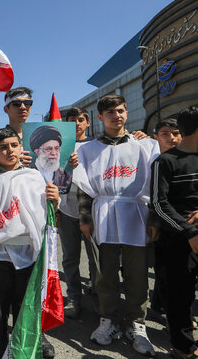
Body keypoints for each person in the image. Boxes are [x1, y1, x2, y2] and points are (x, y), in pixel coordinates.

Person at [73, 94, 159, 356]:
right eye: (110, 112)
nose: (116, 115)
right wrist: (85, 219)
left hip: (135, 213)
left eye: (120, 110)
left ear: (126, 113)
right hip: (104, 214)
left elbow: (155, 185)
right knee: (104, 273)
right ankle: (108, 320)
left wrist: (154, 218)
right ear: (100, 117)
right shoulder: (87, 149)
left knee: (137, 274)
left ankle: (137, 323)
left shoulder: (145, 146)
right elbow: (84, 188)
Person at [0, 127, 58, 359]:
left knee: (25, 310)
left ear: (21, 148)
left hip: (28, 256)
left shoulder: (34, 176)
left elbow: (43, 215)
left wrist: (55, 201)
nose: (9, 151)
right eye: (3, 147)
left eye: (13, 145)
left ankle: (24, 353)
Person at [150, 106, 198, 359]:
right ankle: (183, 349)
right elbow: (159, 203)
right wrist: (190, 232)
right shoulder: (165, 161)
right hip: (177, 240)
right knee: (180, 297)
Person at [57, 107, 97, 319]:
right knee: (70, 257)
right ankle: (74, 297)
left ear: (88, 122)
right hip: (66, 208)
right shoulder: (59, 147)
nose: (77, 124)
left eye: (80, 120)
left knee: (94, 256)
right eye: (71, 121)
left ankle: (97, 293)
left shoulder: (96, 145)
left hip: (91, 210)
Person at [150, 117, 183, 317]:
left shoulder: (189, 159)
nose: (171, 138)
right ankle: (171, 314)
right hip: (163, 224)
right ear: (156, 137)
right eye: (165, 134)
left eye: (176, 133)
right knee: (164, 271)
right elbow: (157, 200)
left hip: (187, 223)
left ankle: (160, 306)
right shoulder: (154, 160)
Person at [29, 125, 73, 194]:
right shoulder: (28, 174)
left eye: (56, 148)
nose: (54, 153)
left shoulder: (66, 177)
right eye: (48, 149)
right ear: (37, 152)